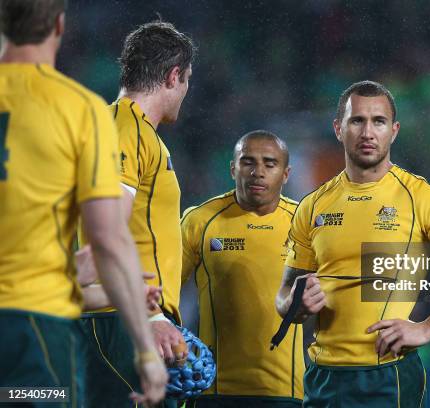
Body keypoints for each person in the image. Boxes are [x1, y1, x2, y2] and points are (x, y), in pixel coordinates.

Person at [0, 0, 167, 406]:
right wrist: (146, 349)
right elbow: (108, 239)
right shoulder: (79, 109)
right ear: (59, 26)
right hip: (33, 330)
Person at [275, 81, 430, 407]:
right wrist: (295, 305)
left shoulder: (425, 199)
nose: (367, 132)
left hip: (388, 375)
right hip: (322, 377)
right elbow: (284, 295)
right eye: (357, 120)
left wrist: (427, 329)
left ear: (394, 131)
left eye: (379, 121)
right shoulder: (313, 206)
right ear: (338, 129)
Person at [77, 20, 196, 407]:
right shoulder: (123, 127)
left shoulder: (140, 133)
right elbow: (107, 227)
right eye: (187, 79)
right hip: (121, 320)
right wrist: (151, 318)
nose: (186, 92)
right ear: (173, 75)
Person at [181, 130, 304, 407]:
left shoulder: (304, 223)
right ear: (233, 168)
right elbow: (162, 291)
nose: (258, 172)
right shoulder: (199, 221)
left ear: (286, 174)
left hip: (285, 393)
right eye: (248, 162)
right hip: (213, 391)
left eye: (270, 164)